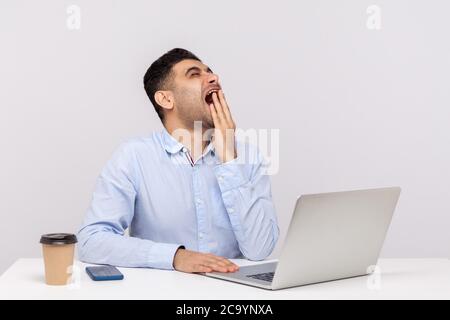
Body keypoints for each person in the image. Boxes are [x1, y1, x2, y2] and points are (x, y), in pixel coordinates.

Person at [77, 48, 279, 273]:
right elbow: (91, 241)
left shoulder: (249, 157)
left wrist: (230, 162)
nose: (213, 78)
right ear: (165, 98)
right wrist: (175, 257)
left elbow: (260, 250)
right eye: (194, 74)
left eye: (210, 72)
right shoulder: (134, 156)